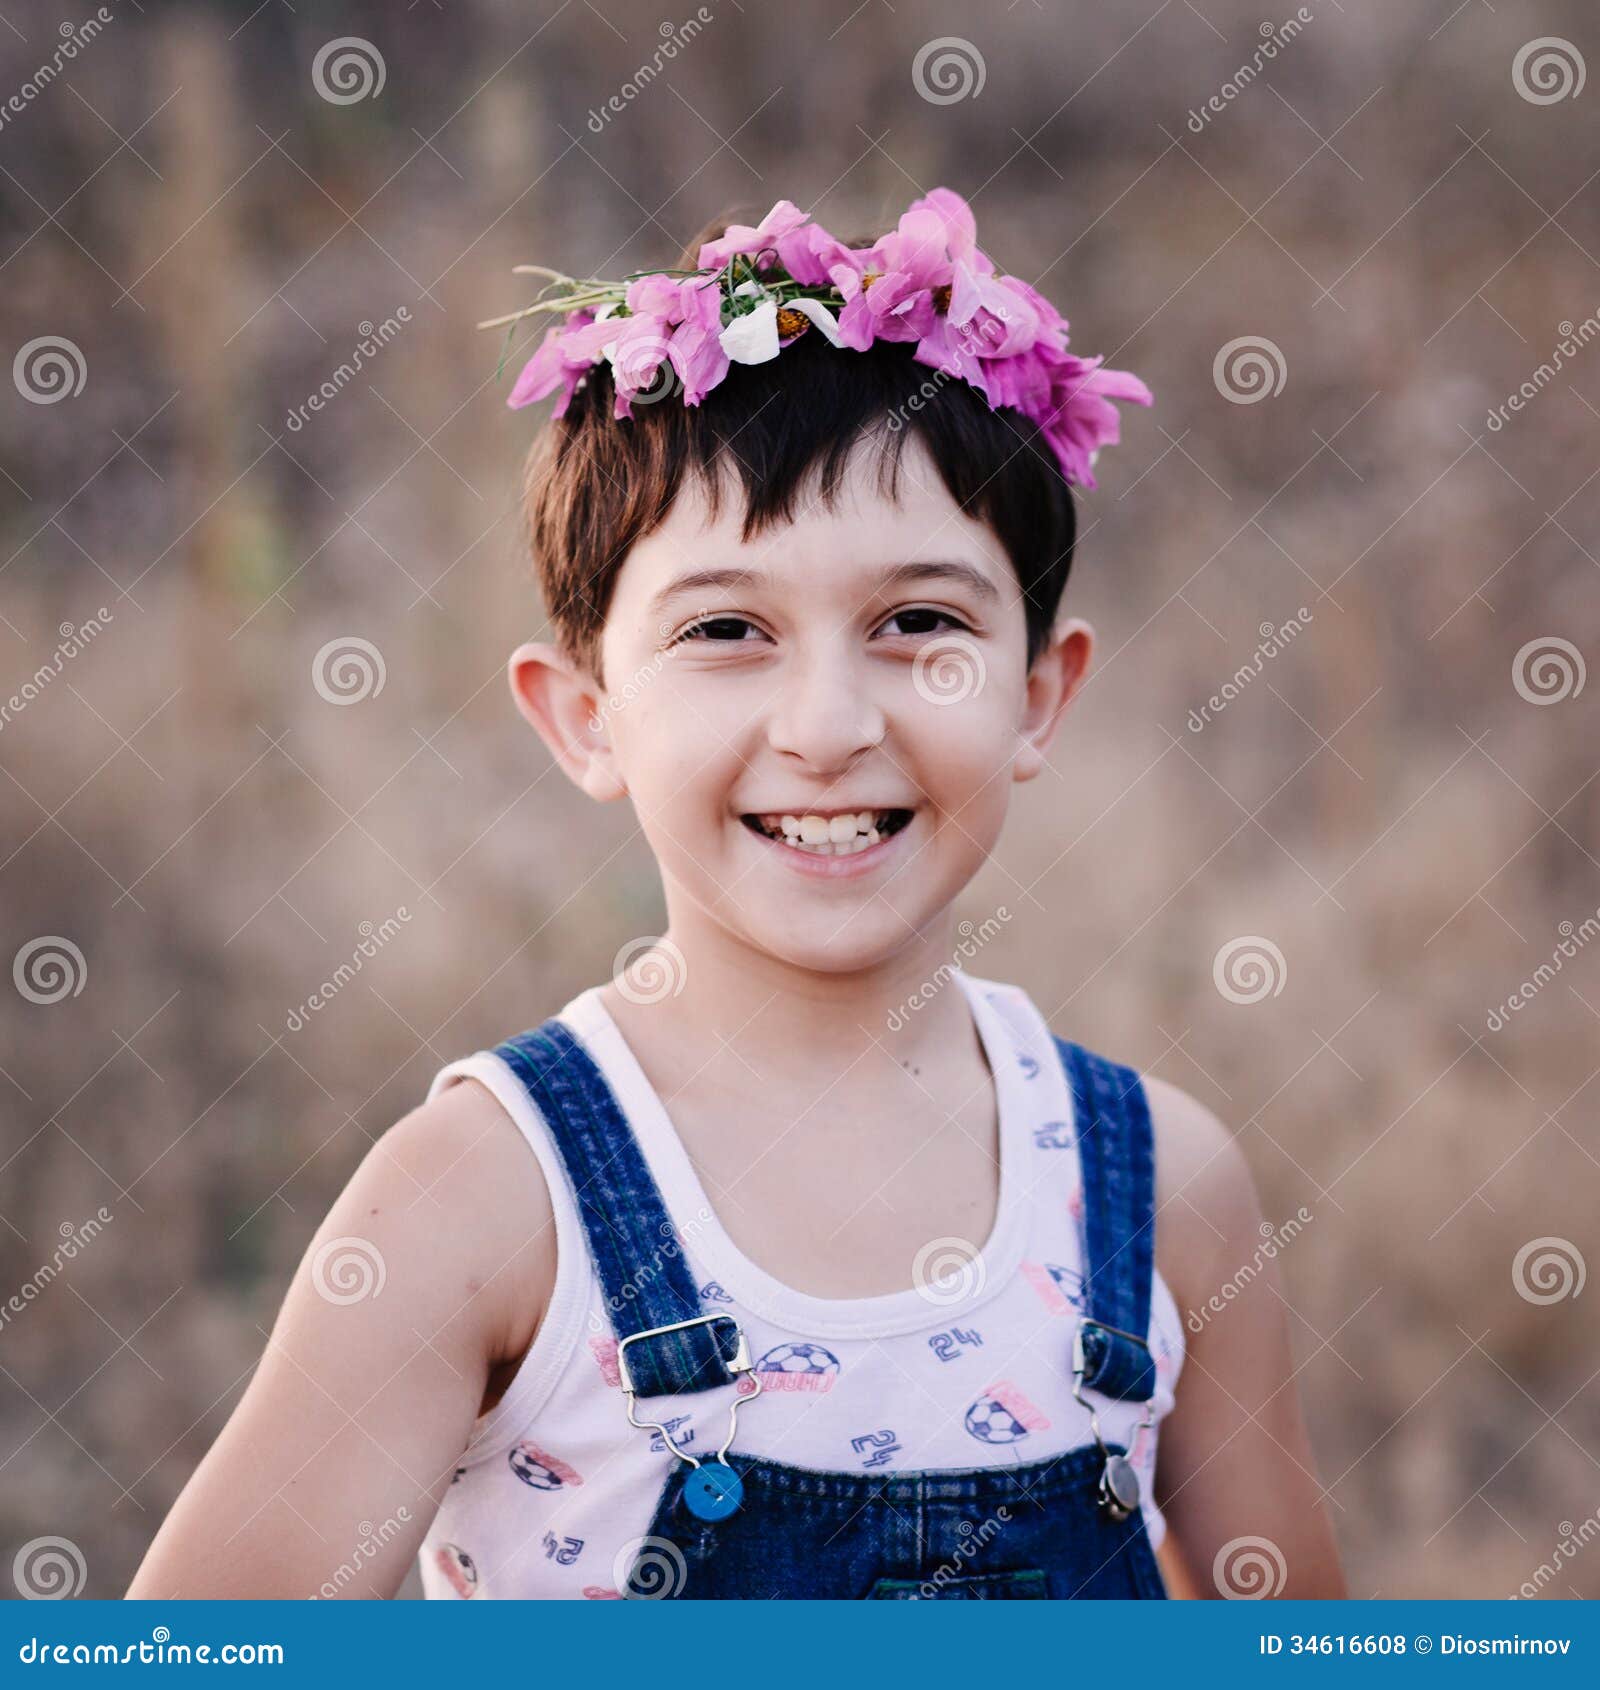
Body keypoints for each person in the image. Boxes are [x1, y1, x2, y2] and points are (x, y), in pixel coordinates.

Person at [128, 188, 1346, 1601]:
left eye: (918, 625)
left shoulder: (1159, 1189)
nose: (827, 723)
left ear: (1037, 692)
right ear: (584, 715)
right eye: (726, 629)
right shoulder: (482, 1201)